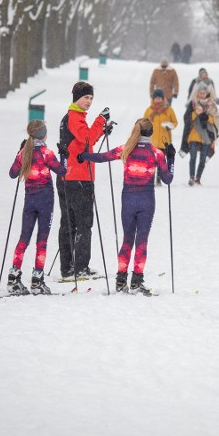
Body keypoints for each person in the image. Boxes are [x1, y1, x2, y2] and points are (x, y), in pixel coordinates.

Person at [80, 118, 175, 295]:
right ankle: (136, 281)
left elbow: (101, 158)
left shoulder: (126, 149)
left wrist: (83, 155)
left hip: (128, 199)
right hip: (146, 200)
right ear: (151, 133)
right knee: (142, 240)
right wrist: (171, 158)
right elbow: (168, 179)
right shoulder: (156, 154)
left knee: (127, 240)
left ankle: (120, 279)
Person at [7, 120, 69, 295]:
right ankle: (37, 279)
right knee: (42, 241)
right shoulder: (46, 153)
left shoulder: (24, 153)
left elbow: (12, 173)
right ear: (44, 134)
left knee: (24, 238)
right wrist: (64, 156)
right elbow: (62, 171)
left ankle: (13, 276)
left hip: (30, 200)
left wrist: (18, 153)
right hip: (45, 201)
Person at [57, 81, 111, 280]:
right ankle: (80, 268)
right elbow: (87, 138)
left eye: (91, 98)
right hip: (78, 178)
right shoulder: (74, 117)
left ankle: (68, 268)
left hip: (68, 176)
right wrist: (100, 121)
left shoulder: (73, 117)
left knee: (69, 223)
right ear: (76, 98)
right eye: (85, 97)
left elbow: (83, 144)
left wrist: (101, 132)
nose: (88, 101)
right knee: (83, 223)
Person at [184, 83, 219, 186]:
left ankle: (198, 178)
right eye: (200, 93)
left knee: (203, 158)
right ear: (197, 93)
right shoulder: (193, 103)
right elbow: (187, 118)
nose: (202, 94)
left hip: (206, 136)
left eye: (204, 93)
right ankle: (191, 177)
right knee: (193, 156)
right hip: (193, 134)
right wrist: (196, 114)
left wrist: (208, 118)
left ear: (206, 93)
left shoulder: (211, 104)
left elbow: (217, 118)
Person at [144, 88, 178, 186]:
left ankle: (158, 178)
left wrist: (170, 125)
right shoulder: (149, 110)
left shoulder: (168, 109)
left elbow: (175, 122)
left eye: (160, 98)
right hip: (152, 141)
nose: (158, 100)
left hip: (164, 141)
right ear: (153, 99)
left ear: (163, 98)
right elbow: (144, 122)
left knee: (161, 161)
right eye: (156, 98)